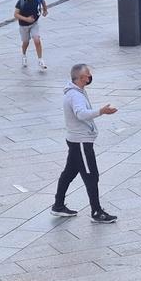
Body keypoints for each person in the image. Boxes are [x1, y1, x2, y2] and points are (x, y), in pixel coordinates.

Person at [53, 63, 118, 223]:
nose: (90, 77)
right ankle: (96, 212)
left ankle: (58, 205)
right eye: (88, 74)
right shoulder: (75, 95)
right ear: (81, 78)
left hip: (76, 140)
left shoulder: (77, 91)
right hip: (81, 142)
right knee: (91, 176)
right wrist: (101, 111)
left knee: (68, 173)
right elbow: (81, 114)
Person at [14, 0, 49, 70]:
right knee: (26, 42)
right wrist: (26, 19)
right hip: (23, 26)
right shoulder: (21, 2)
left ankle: (40, 59)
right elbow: (16, 14)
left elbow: (43, 2)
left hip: (34, 23)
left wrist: (45, 10)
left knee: (37, 40)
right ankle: (24, 55)